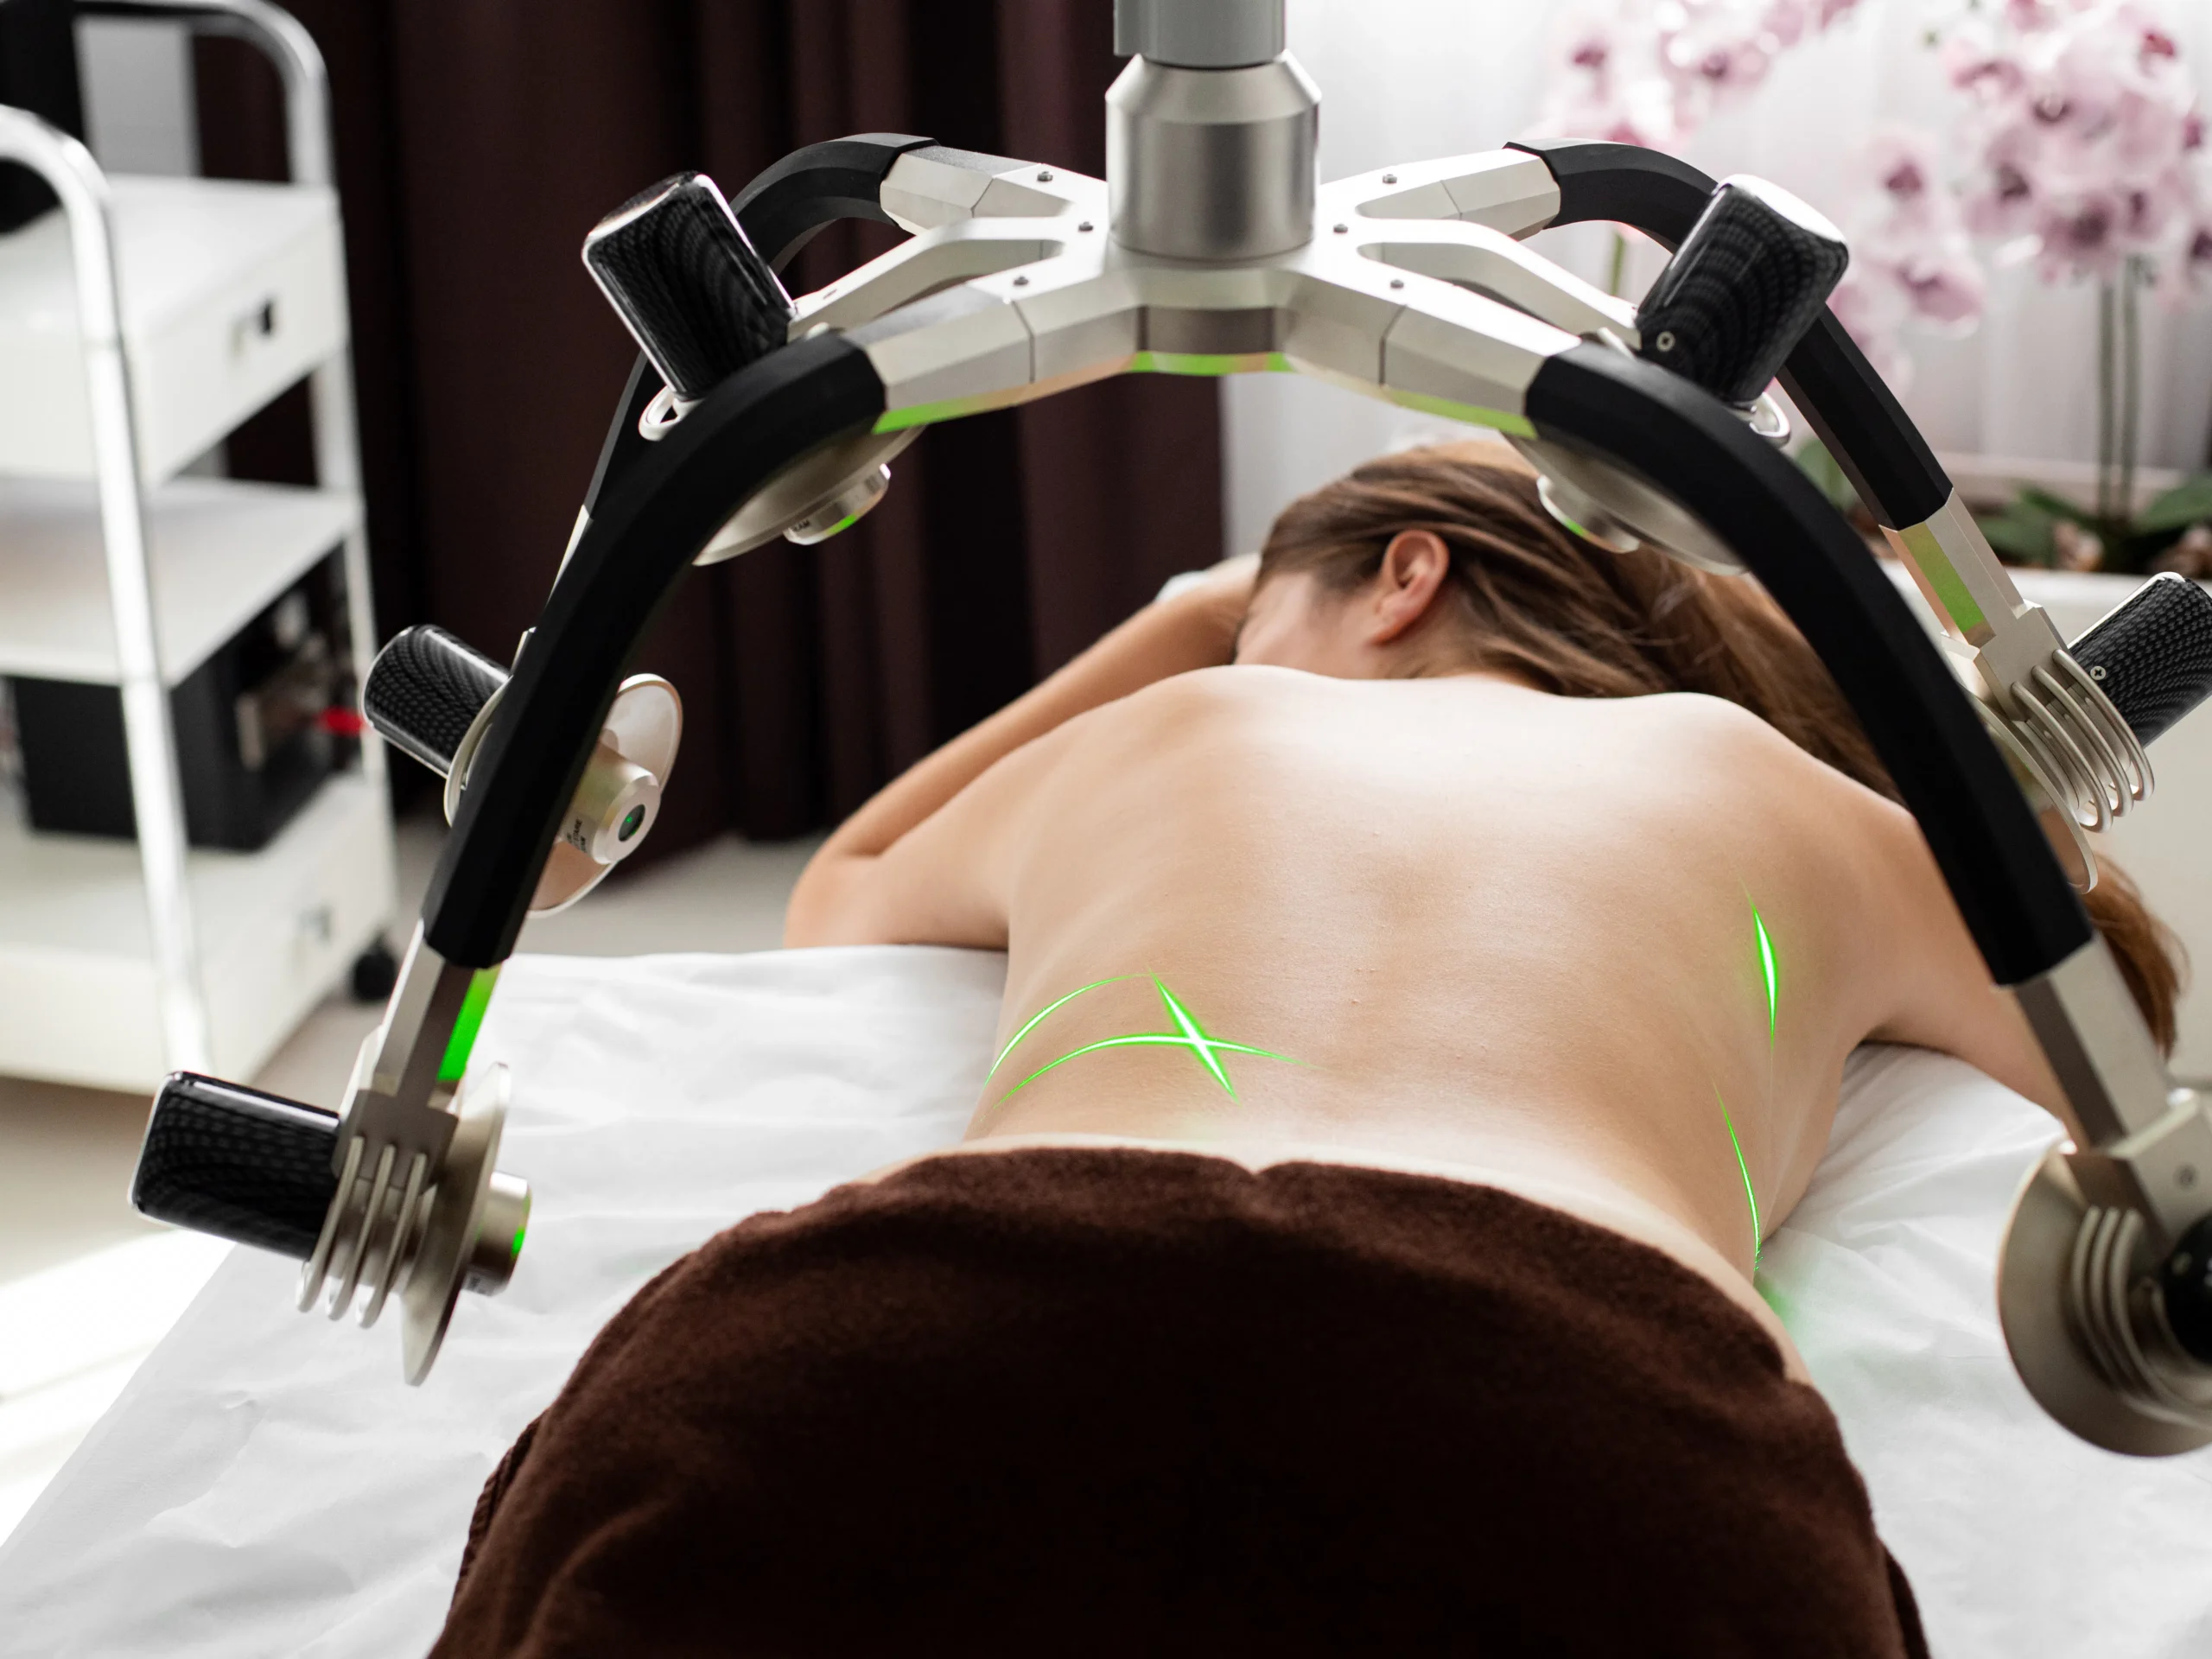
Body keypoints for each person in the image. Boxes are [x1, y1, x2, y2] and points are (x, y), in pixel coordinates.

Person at [433, 444, 2177, 1659]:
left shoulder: (1182, 716)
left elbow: (846, 894)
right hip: (1574, 1410)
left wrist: (1197, 619)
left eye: (1274, 602)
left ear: (1404, 575)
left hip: (910, 1329)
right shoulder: (1782, 798)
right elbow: (2101, 1030)